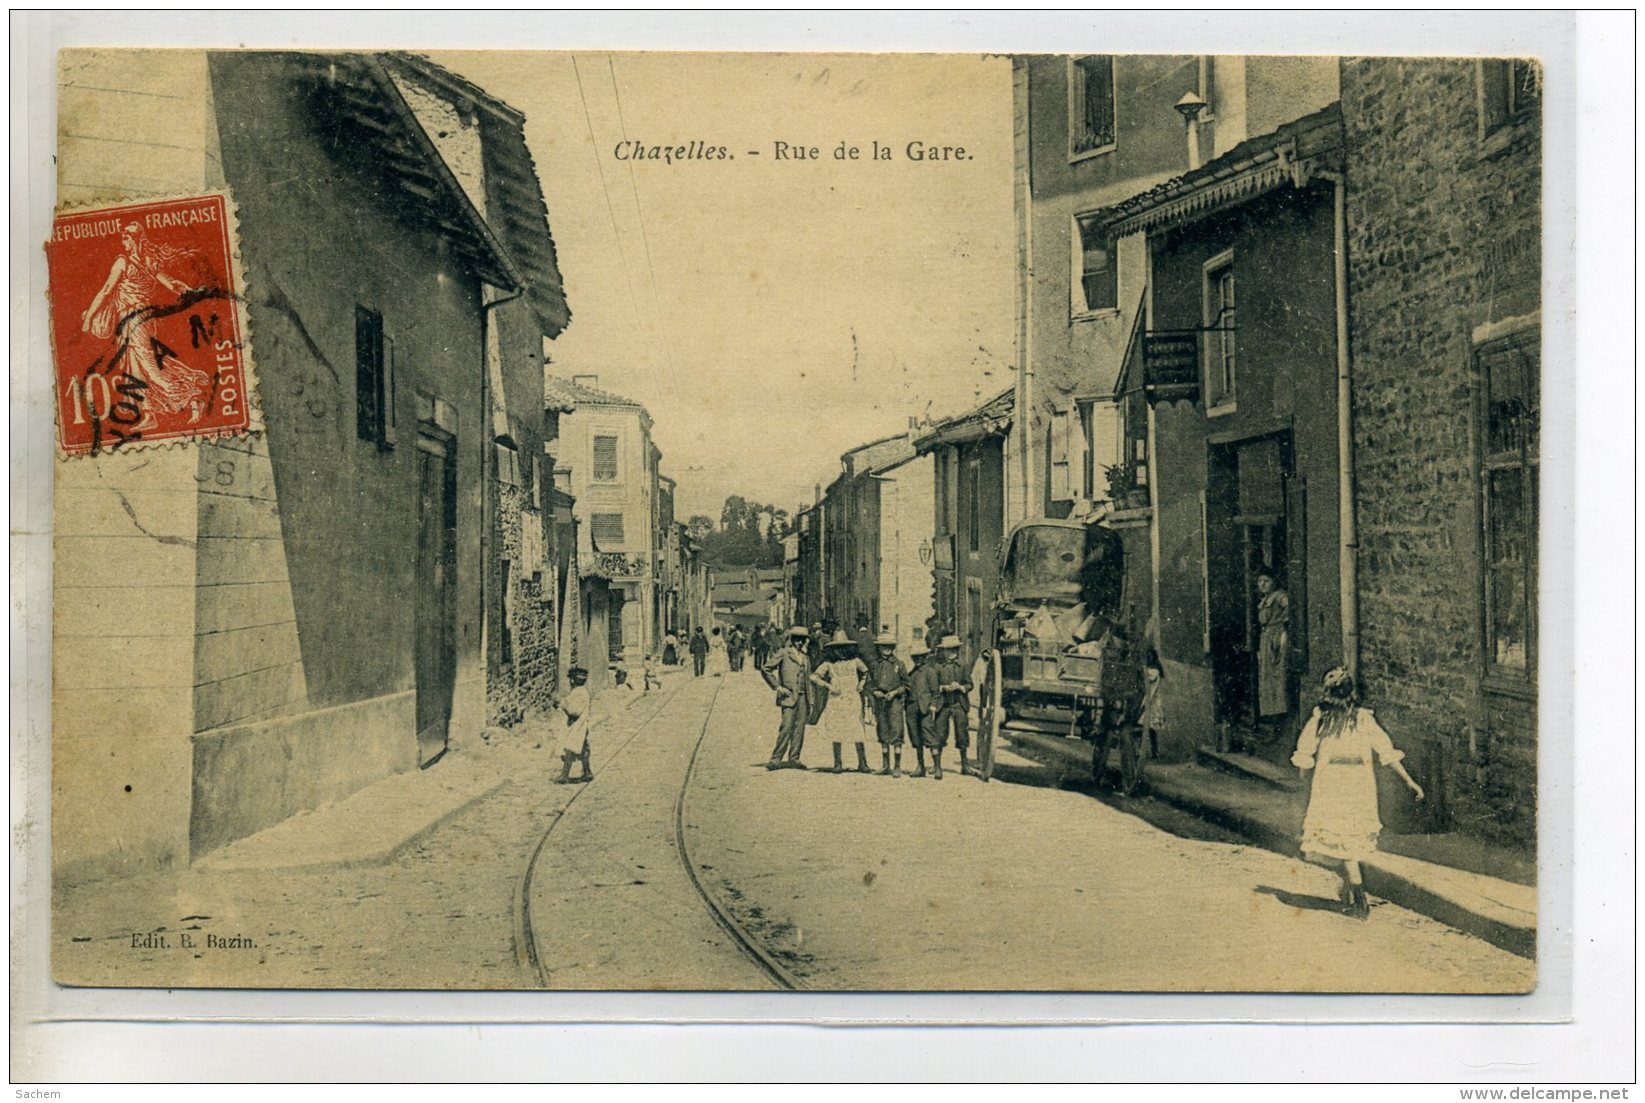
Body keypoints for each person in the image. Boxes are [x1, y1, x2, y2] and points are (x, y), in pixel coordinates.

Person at [1292, 667, 1424, 919]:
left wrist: (1306, 782)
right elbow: (1386, 751)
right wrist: (1409, 781)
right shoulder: (1362, 719)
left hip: (1331, 782)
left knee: (1339, 840)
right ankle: (1352, 891)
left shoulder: (1321, 719)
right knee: (1350, 839)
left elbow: (1305, 752)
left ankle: (1359, 898)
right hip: (1359, 784)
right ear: (1350, 691)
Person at [80, 221, 211, 432]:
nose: (123, 241)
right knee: (136, 366)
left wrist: (88, 320)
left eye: (126, 237)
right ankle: (150, 414)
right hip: (144, 318)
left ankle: (191, 397)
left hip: (134, 319)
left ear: (134, 240)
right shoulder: (150, 262)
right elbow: (171, 284)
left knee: (150, 366)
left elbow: (105, 291)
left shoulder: (123, 263)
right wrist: (188, 290)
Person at [812, 630, 870, 774]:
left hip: (852, 698)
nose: (840, 652)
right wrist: (828, 686)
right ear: (832, 650)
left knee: (857, 729)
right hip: (836, 700)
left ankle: (863, 763)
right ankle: (837, 763)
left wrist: (861, 684)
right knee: (836, 729)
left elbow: (866, 672)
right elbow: (814, 677)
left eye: (843, 648)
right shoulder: (828, 664)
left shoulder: (855, 661)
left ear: (848, 648)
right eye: (837, 649)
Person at [762, 626, 813, 770]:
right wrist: (778, 687)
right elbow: (766, 669)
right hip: (789, 696)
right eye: (796, 639)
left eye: (802, 640)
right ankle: (776, 759)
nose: (799, 643)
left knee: (799, 729)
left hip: (803, 697)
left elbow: (808, 680)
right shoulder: (784, 653)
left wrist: (812, 700)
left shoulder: (806, 657)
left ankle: (794, 758)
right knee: (786, 727)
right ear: (792, 640)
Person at [928, 636, 974, 778]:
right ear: (943, 651)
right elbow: (934, 686)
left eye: (953, 650)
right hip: (944, 704)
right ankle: (937, 766)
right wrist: (943, 687)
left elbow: (969, 684)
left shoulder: (963, 665)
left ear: (958, 651)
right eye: (948, 650)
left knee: (962, 734)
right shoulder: (938, 667)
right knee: (939, 734)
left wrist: (960, 687)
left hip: (959, 703)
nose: (950, 653)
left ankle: (965, 765)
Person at [864, 633, 909, 777]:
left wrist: (896, 692)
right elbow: (869, 683)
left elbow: (906, 685)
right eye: (883, 647)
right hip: (880, 702)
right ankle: (885, 765)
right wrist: (874, 692)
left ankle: (897, 766)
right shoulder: (874, 664)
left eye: (889, 647)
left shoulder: (899, 664)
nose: (886, 649)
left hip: (895, 702)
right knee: (883, 731)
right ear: (879, 648)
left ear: (893, 648)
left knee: (896, 731)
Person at [1255, 571, 1291, 738]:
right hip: (1266, 640)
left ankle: (1278, 717)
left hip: (1276, 640)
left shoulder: (1279, 596)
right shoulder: (1264, 601)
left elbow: (1290, 608)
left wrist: (1283, 629)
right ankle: (1270, 716)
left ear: (1274, 582)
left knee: (1277, 677)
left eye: (1266, 581)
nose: (1262, 584)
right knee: (1266, 679)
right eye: (1260, 581)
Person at [554, 667, 594, 784]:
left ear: (572, 680)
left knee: (569, 749)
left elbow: (574, 711)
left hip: (577, 726)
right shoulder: (581, 692)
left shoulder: (579, 693)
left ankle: (564, 775)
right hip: (580, 726)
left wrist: (563, 704)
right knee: (583, 749)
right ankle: (587, 772)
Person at [905, 642, 937, 778]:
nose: (918, 660)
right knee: (915, 737)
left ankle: (937, 765)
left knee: (929, 735)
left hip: (925, 708)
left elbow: (936, 692)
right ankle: (920, 766)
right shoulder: (911, 674)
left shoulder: (930, 672)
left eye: (920, 657)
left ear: (925, 657)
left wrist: (933, 705)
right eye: (915, 657)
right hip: (912, 709)